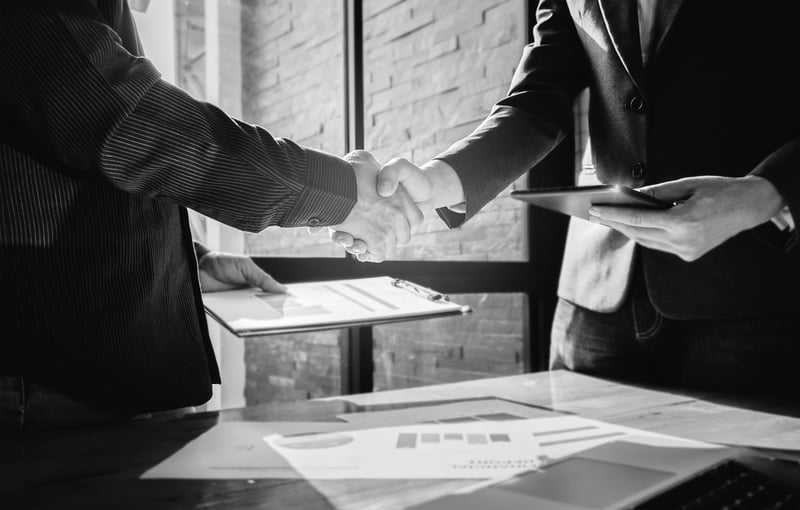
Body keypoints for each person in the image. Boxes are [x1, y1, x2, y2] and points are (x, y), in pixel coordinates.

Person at [334, 0, 800, 397]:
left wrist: (764, 194)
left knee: (744, 492)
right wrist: (437, 179)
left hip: (752, 287)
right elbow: (537, 100)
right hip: (596, 291)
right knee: (583, 483)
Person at [0, 0, 421, 430]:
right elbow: (134, 123)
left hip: (94, 380)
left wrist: (191, 264)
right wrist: (339, 192)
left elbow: (80, 179)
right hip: (54, 391)